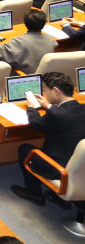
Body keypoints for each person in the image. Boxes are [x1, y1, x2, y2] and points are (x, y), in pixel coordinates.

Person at [10, 71, 85, 206]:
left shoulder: (56, 114)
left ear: (56, 91)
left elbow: (35, 124)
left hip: (58, 168)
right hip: (79, 166)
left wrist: (32, 108)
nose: (44, 93)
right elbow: (63, 114)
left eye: (45, 90)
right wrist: (49, 106)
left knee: (25, 149)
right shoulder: (82, 108)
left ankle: (34, 193)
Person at [0, 9, 56, 73]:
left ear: (25, 23)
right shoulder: (50, 39)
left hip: (25, 76)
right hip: (46, 76)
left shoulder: (19, 41)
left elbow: (1, 51)